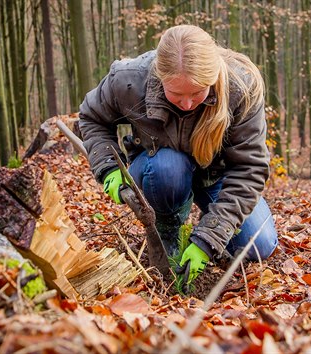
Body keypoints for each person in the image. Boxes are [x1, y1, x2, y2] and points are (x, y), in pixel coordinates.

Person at [78, 25, 278, 284]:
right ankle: (169, 226)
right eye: (176, 93)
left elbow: (249, 169)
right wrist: (108, 166)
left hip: (216, 176)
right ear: (160, 78)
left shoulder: (241, 88)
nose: (186, 104)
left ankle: (208, 224)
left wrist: (209, 239)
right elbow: (91, 117)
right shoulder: (129, 80)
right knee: (168, 167)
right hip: (159, 169)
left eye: (197, 93)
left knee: (258, 245)